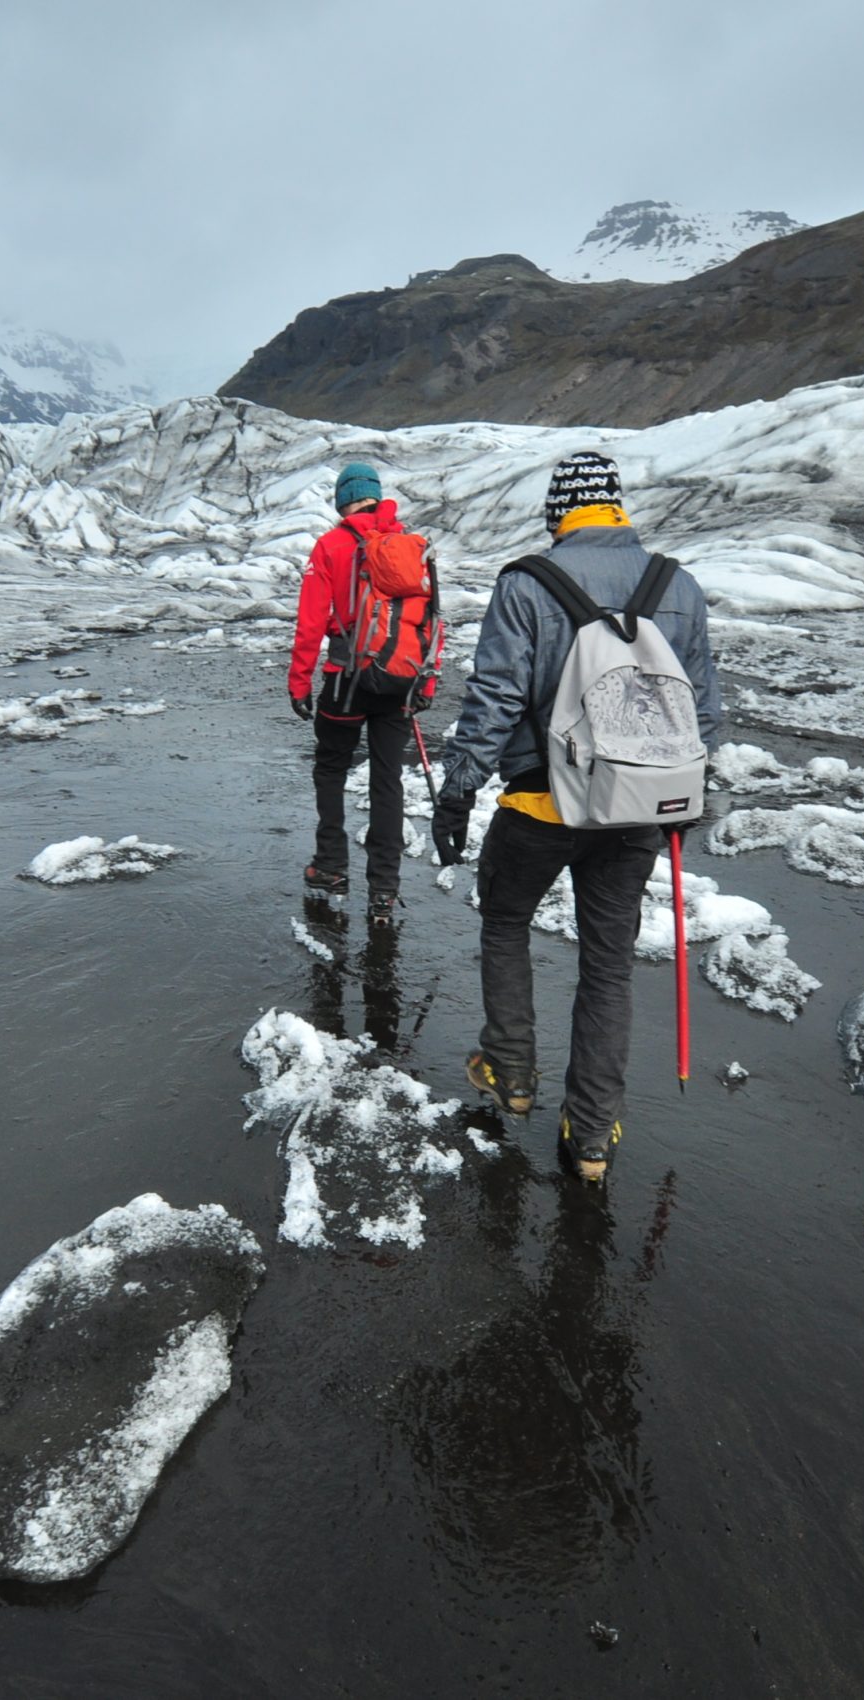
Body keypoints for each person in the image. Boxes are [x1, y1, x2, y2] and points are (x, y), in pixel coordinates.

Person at [428, 451, 725, 1181]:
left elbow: (494, 700)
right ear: (617, 508)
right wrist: (689, 801)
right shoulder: (677, 586)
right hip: (637, 810)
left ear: (560, 513)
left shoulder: (527, 584)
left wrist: (457, 790)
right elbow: (704, 715)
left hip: (541, 802)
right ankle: (591, 1135)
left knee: (504, 922)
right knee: (608, 965)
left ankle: (511, 1072)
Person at [287, 460, 416, 927]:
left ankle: (331, 868)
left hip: (345, 680)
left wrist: (299, 682)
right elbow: (430, 618)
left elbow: (310, 623)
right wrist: (427, 681)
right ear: (376, 496)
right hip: (399, 680)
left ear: (343, 501)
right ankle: (384, 889)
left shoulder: (331, 546)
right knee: (387, 780)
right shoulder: (408, 545)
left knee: (331, 769)